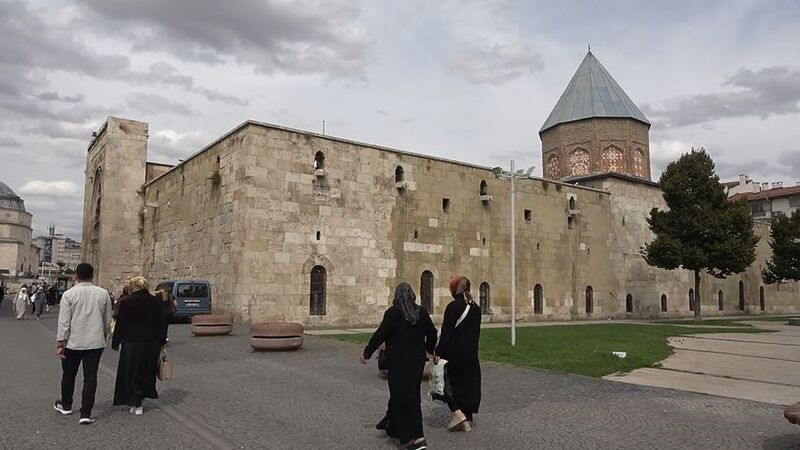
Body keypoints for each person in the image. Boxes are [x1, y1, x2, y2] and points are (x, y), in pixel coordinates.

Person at [361, 283, 437, 450]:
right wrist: (430, 349)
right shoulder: (421, 313)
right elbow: (432, 333)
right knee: (411, 395)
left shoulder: (393, 313)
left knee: (400, 397)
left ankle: (413, 438)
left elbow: (380, 335)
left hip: (397, 363)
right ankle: (392, 425)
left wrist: (366, 353)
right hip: (416, 362)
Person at [54, 263, 113, 425]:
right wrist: (105, 334)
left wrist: (61, 342)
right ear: (92, 275)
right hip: (95, 342)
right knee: (90, 377)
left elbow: (64, 322)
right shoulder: (103, 294)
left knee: (68, 375)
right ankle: (86, 413)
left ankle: (66, 405)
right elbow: (108, 319)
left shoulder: (68, 295)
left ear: (76, 276)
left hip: (73, 342)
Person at [112, 277, 167, 415]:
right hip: (150, 343)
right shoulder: (154, 301)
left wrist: (116, 341)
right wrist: (162, 341)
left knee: (131, 371)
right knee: (145, 371)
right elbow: (161, 322)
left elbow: (121, 323)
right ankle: (140, 400)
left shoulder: (127, 302)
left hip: (131, 342)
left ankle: (134, 401)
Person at [435, 276, 482, 432]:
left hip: (454, 353)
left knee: (447, 383)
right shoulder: (476, 308)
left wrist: (438, 352)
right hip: (471, 353)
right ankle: (467, 417)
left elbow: (447, 333)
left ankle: (458, 414)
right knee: (467, 384)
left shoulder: (453, 307)